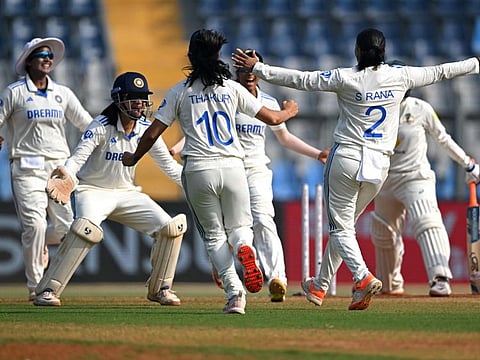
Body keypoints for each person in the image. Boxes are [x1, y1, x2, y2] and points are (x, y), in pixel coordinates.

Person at [233, 28, 480, 310]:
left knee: (340, 228)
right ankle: (319, 286)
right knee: (345, 228)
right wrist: (476, 63)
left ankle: (362, 278)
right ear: (384, 52)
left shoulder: (345, 77)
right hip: (379, 166)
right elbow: (442, 71)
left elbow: (301, 80)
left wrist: (259, 69)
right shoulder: (402, 76)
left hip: (347, 159)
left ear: (358, 52)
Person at [122, 29, 298, 314]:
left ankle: (235, 295)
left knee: (214, 236)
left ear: (190, 56)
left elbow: (153, 133)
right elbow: (274, 118)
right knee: (241, 228)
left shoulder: (180, 91)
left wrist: (133, 158)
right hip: (234, 167)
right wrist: (289, 109)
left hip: (200, 170)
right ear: (218, 56)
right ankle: (245, 247)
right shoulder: (232, 88)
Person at [169, 49, 329, 302]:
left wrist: (317, 153)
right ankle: (227, 264)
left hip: (255, 170)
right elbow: (201, 127)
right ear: (236, 73)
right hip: (227, 167)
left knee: (264, 219)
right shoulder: (227, 94)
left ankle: (277, 278)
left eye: (252, 69)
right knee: (227, 228)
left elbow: (284, 137)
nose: (248, 74)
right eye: (243, 70)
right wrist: (177, 148)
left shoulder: (269, 102)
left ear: (259, 72)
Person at [33, 72, 187, 307]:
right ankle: (48, 290)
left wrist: (196, 183)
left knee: (171, 228)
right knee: (85, 229)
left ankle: (160, 289)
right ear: (118, 99)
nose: (139, 104)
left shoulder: (147, 129)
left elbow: (169, 167)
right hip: (93, 190)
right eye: (133, 98)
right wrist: (66, 174)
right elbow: (77, 158)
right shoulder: (100, 126)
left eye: (142, 98)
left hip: (128, 193)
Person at [371, 62, 480, 297]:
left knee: (426, 221)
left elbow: (443, 138)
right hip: (384, 180)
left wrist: (467, 163)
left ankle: (440, 278)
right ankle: (390, 284)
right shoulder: (373, 108)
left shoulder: (420, 108)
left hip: (415, 178)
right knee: (382, 232)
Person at [0, 37, 92, 301]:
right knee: (35, 226)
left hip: (59, 171)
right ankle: (37, 287)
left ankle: (40, 246)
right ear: (28, 61)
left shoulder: (63, 93)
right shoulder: (14, 92)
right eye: (41, 54)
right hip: (27, 169)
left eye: (50, 55)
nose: (47, 58)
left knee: (67, 231)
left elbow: (89, 126)